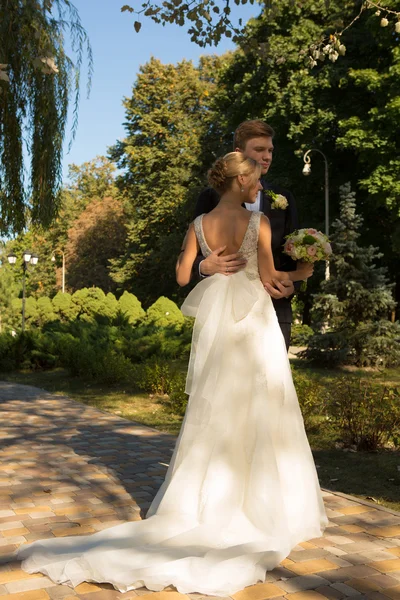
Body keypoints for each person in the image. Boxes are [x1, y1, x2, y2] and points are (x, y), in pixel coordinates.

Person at [17, 153, 327, 598]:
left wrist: (206, 266)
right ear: (239, 180)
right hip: (251, 321)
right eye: (256, 178)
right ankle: (263, 503)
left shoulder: (199, 224)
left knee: (216, 403)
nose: (260, 185)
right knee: (262, 400)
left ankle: (206, 498)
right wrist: (306, 268)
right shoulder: (257, 225)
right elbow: (270, 280)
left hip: (217, 322)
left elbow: (182, 276)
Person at [194, 120, 299, 350]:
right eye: (259, 150)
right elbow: (189, 254)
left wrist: (294, 286)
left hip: (274, 309)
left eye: (270, 150)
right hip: (224, 315)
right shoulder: (210, 199)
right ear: (239, 153)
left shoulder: (284, 197)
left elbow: (293, 254)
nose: (267, 156)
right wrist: (204, 266)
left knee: (272, 384)